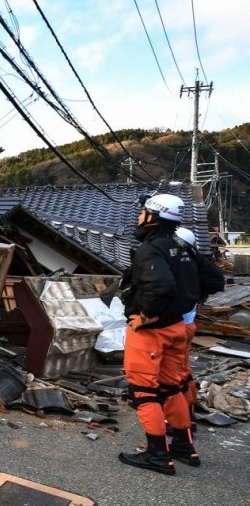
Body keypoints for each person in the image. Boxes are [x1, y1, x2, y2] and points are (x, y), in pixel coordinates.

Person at [119, 194, 199, 475]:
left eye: (142, 212)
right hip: (177, 326)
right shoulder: (182, 247)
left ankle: (157, 455)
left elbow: (162, 286)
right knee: (172, 386)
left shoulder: (151, 249)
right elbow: (209, 279)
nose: (139, 217)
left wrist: (146, 315)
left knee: (144, 390)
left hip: (152, 331)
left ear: (154, 216)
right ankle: (183, 446)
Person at [173, 227, 225, 435]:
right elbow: (216, 282)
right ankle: (188, 415)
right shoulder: (198, 263)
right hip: (188, 324)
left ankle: (179, 424)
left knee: (171, 377)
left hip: (174, 326)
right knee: (183, 372)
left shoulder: (181, 265)